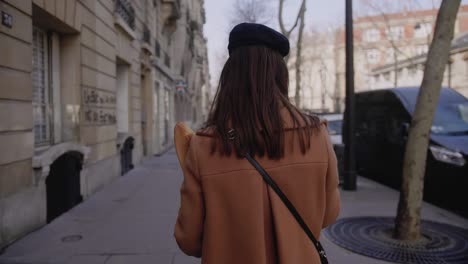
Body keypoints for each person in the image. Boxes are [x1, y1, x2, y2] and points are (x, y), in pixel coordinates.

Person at [174, 23, 341, 264]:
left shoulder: (203, 147)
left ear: (230, 79)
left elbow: (189, 239)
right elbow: (328, 214)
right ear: (280, 76)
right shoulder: (316, 135)